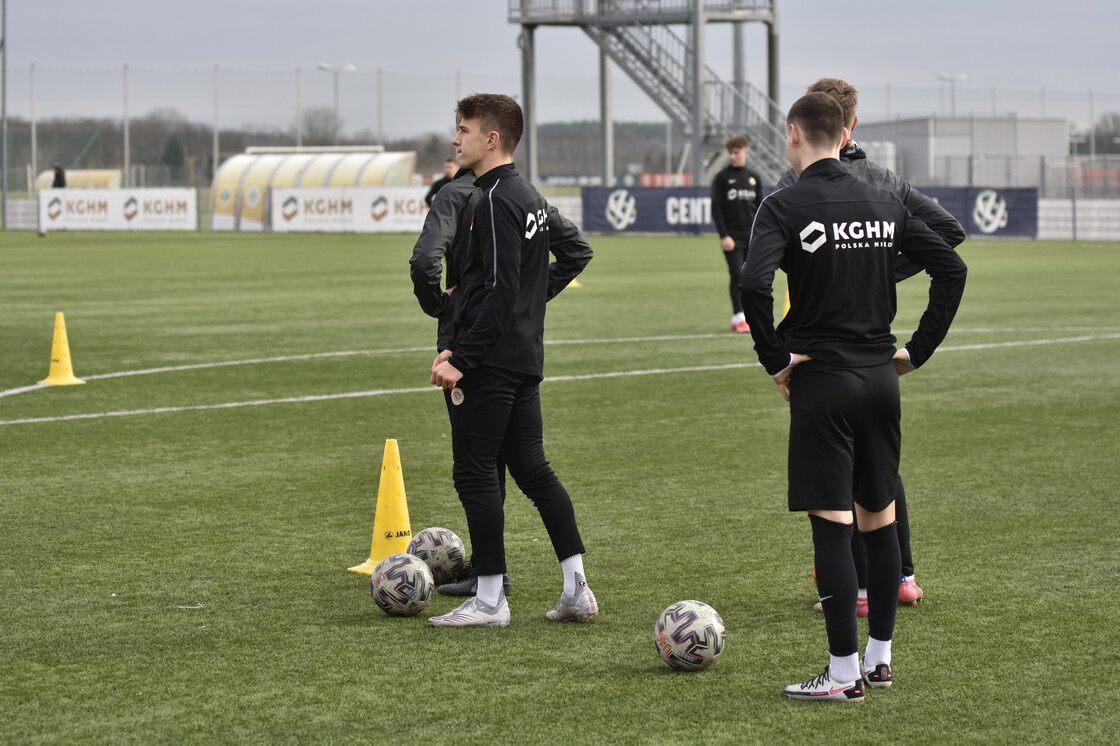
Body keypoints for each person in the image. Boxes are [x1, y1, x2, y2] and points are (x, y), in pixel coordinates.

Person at [741, 92, 966, 700]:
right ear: (844, 135)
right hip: (879, 382)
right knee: (880, 516)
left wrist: (776, 361)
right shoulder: (882, 198)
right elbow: (952, 265)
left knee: (833, 523)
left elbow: (753, 284)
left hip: (825, 382)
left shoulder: (782, 204)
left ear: (794, 134)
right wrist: (914, 351)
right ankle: (881, 660)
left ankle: (843, 676)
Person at [426, 93, 596, 628]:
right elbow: (575, 253)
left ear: (491, 138)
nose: (456, 140)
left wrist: (461, 356)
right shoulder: (528, 195)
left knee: (474, 471)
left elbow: (499, 288)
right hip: (523, 355)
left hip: (492, 360)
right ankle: (576, 588)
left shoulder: (496, 199)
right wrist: (527, 302)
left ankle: (490, 599)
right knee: (532, 468)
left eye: (464, 130)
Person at [710, 136, 763, 333]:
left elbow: (759, 209)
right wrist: (724, 235)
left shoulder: (754, 177)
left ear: (745, 152)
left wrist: (760, 234)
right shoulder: (722, 178)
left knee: (751, 277)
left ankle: (745, 317)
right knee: (737, 273)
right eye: (730, 153)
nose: (733, 156)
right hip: (732, 237)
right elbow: (716, 209)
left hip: (751, 236)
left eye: (737, 152)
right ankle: (739, 317)